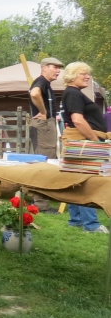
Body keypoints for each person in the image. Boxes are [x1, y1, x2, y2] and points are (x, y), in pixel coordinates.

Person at [60, 61, 108, 234]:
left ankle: (77, 221)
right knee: (87, 182)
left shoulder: (73, 93)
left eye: (88, 73)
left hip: (82, 142)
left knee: (77, 182)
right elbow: (78, 120)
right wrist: (95, 140)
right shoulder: (73, 94)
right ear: (73, 76)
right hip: (85, 142)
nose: (88, 76)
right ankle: (91, 225)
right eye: (83, 74)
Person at [28, 57, 63, 211]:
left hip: (44, 125)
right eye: (55, 67)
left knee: (44, 161)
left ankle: (39, 200)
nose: (58, 71)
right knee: (44, 162)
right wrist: (43, 112)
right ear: (44, 68)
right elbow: (34, 94)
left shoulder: (45, 83)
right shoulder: (40, 81)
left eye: (59, 68)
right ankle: (41, 205)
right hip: (43, 125)